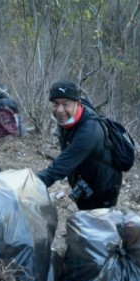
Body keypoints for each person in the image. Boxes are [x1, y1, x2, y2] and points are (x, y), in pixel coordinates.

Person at [36, 80, 122, 210]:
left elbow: (58, 169)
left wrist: (28, 185)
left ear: (77, 103)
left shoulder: (89, 132)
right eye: (55, 104)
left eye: (65, 104)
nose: (59, 110)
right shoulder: (69, 118)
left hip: (103, 188)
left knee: (98, 227)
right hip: (83, 182)